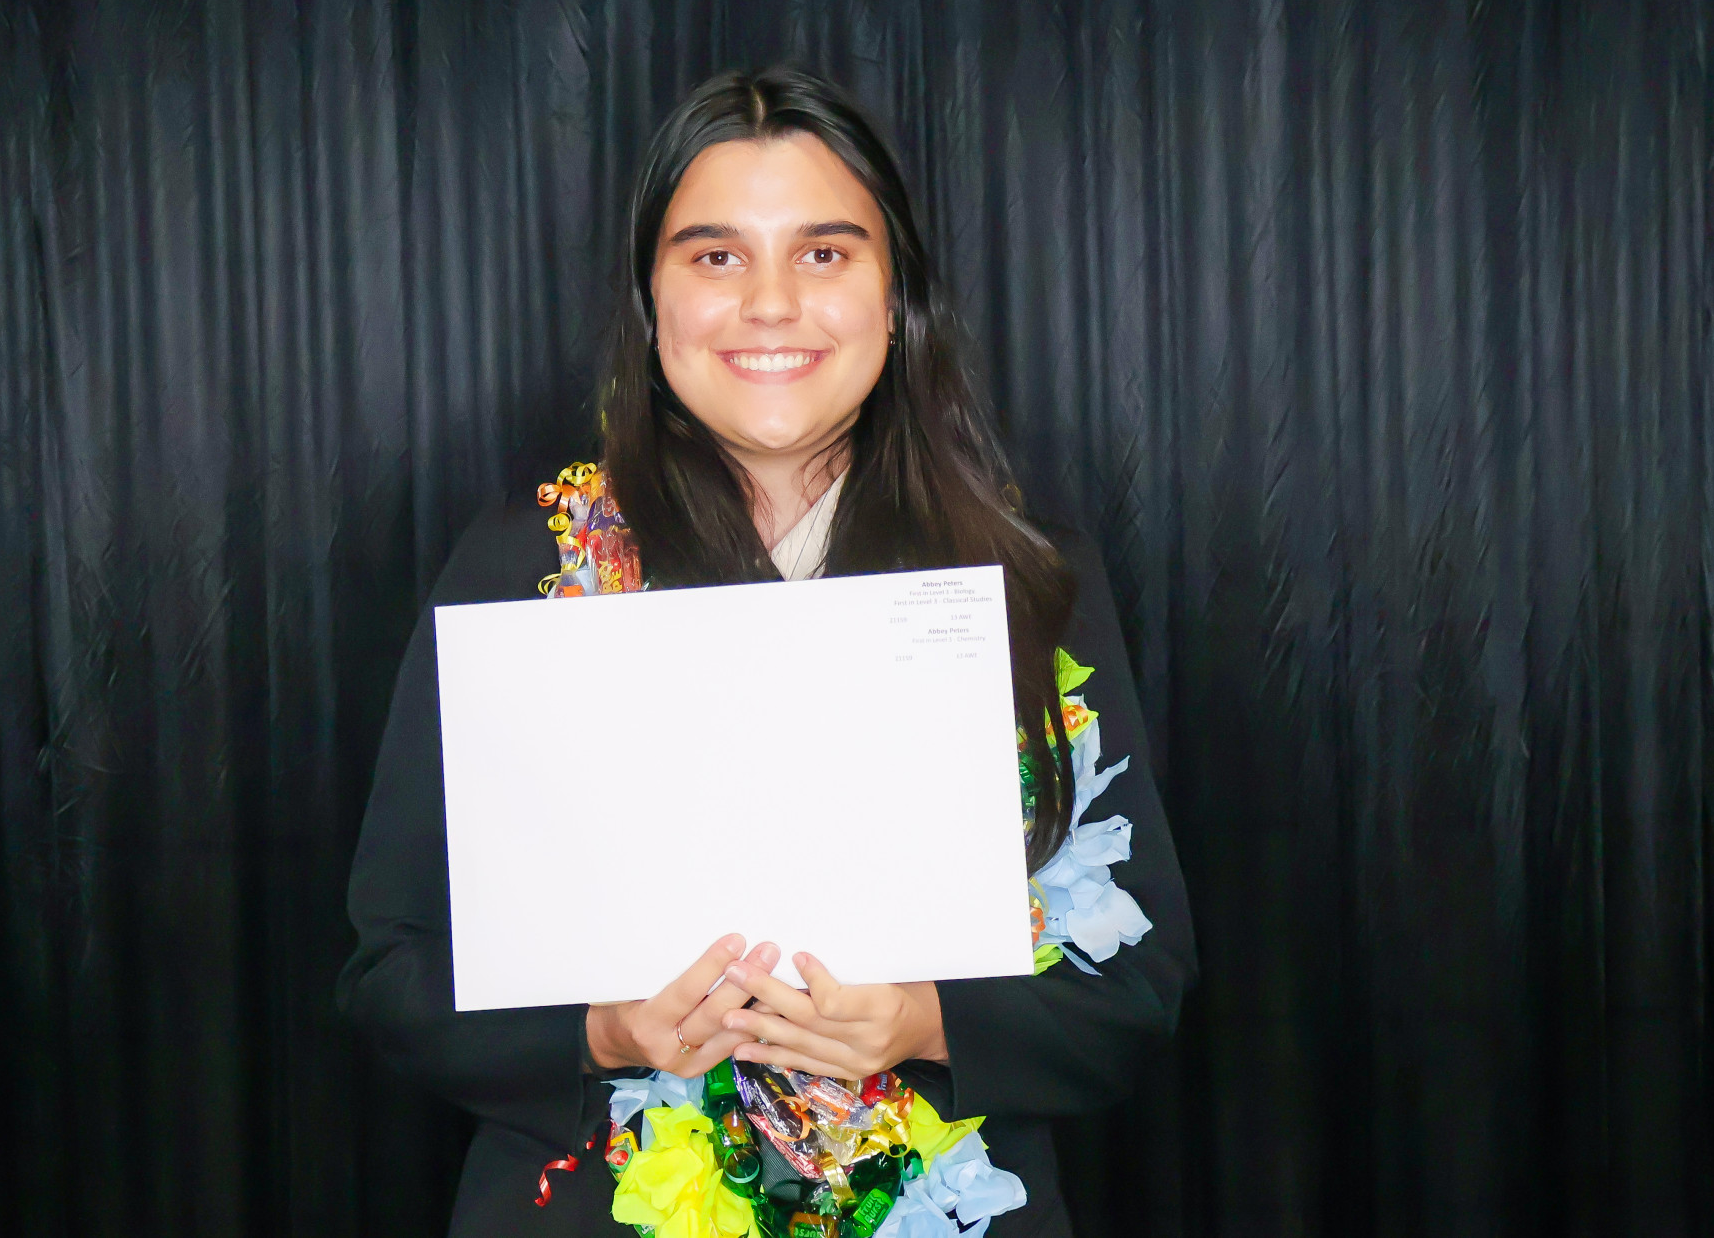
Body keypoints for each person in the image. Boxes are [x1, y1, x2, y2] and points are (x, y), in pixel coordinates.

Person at [339, 67, 1195, 1236]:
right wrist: (602, 1031)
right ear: (652, 300)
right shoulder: (525, 569)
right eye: (716, 255)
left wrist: (924, 1023)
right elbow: (389, 971)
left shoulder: (1024, 577)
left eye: (824, 252)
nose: (772, 303)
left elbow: (1138, 986)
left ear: (895, 297)